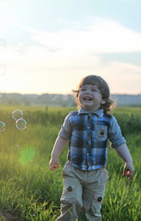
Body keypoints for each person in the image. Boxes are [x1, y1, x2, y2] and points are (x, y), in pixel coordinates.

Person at [49, 75, 134, 221]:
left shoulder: (108, 120)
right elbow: (62, 136)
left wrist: (128, 161)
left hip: (97, 175)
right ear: (78, 96)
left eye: (93, 90)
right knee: (71, 202)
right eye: (83, 89)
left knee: (92, 211)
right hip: (73, 170)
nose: (87, 92)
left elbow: (118, 142)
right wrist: (55, 155)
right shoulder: (73, 117)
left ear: (103, 99)